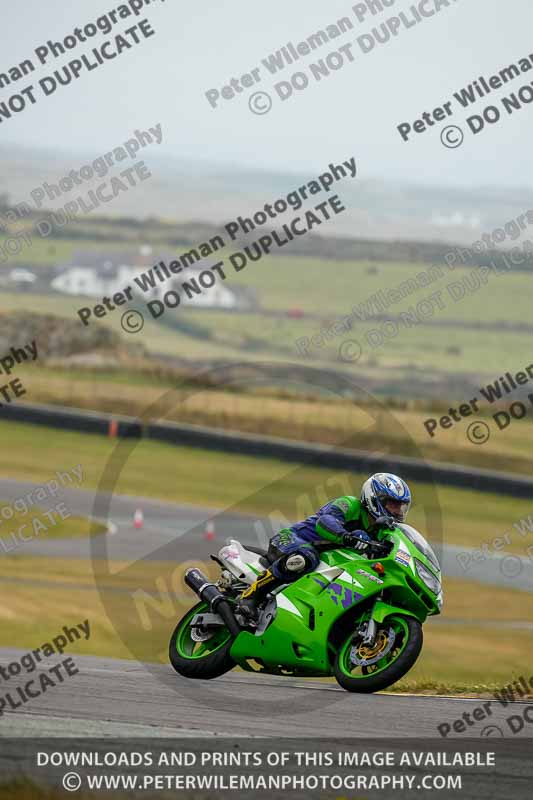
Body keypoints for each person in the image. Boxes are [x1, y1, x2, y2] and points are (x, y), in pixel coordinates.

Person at [237, 472, 411, 621]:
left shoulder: (382, 532)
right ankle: (251, 595)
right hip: (292, 540)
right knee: (305, 558)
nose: (397, 511)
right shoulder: (349, 504)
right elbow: (325, 522)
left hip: (326, 563)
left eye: (400, 507)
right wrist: (346, 537)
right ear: (375, 498)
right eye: (392, 504)